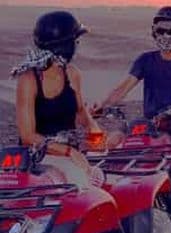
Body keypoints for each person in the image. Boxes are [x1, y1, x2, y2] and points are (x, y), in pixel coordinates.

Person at [13, 11, 108, 187]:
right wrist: (68, 152)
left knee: (100, 175)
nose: (77, 45)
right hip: (40, 155)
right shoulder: (29, 79)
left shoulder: (72, 74)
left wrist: (94, 132)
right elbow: (27, 136)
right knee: (79, 182)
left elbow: (80, 112)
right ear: (66, 46)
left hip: (69, 152)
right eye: (75, 41)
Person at [95, 6, 171, 146]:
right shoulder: (145, 60)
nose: (165, 36)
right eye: (160, 31)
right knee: (113, 139)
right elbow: (122, 89)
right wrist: (102, 106)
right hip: (150, 120)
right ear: (154, 31)